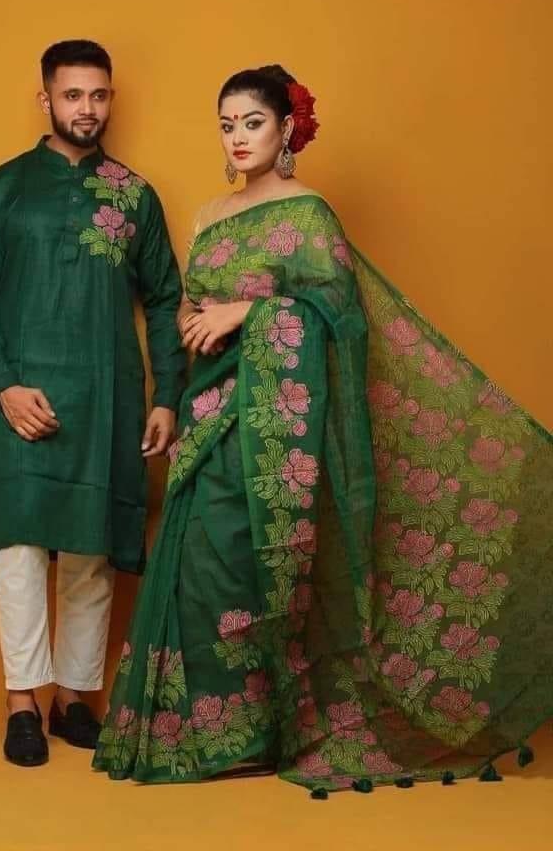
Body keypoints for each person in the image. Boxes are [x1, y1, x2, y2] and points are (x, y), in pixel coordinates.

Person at [93, 64, 553, 794]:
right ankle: (198, 735)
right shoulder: (209, 214)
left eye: (252, 123)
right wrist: (193, 320)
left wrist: (248, 312)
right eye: (226, 125)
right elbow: (190, 302)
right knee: (196, 567)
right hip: (209, 414)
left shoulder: (309, 214)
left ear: (285, 130)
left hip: (274, 424)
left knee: (249, 564)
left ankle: (263, 732)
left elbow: (340, 317)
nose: (238, 137)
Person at [0, 39, 186, 767]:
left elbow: (166, 297)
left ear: (109, 99)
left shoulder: (133, 194)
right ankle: (22, 703)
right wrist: (2, 385)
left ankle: (75, 699)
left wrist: (168, 396)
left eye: (98, 95)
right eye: (72, 95)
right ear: (46, 99)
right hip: (19, 395)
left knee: (91, 549)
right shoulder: (2, 187)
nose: (86, 108)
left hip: (106, 393)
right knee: (21, 547)